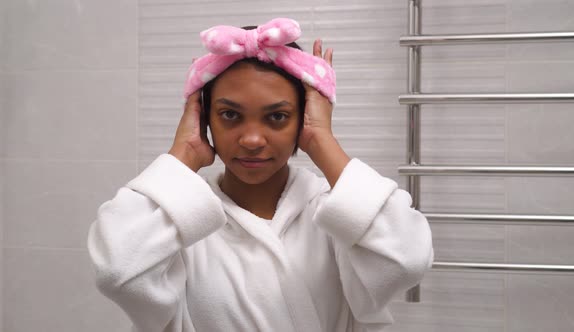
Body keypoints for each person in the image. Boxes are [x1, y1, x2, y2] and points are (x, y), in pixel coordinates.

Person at [87, 18, 433, 332]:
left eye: (277, 117)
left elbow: (407, 260)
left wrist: (322, 141)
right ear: (205, 119)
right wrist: (186, 152)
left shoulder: (336, 215)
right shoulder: (176, 224)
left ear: (303, 120)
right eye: (230, 115)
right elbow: (118, 271)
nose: (252, 139)